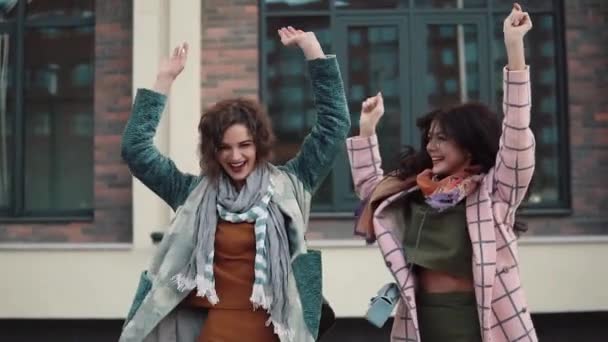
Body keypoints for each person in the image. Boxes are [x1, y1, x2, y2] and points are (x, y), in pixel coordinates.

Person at [119, 26, 350, 342]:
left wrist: (314, 52)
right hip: (212, 333)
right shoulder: (191, 193)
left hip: (278, 332)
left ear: (259, 144)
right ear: (213, 151)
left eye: (245, 145)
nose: (236, 156)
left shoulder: (292, 184)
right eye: (225, 147)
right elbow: (135, 150)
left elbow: (334, 126)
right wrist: (163, 82)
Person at [347, 3, 537, 341]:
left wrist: (514, 47)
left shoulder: (494, 193)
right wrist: (366, 130)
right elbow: (370, 192)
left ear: (468, 146)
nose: (432, 146)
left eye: (443, 139)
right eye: (429, 138)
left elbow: (518, 137)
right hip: (421, 327)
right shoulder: (413, 192)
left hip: (484, 326)